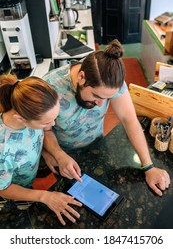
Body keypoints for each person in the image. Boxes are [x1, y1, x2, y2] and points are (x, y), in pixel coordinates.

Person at [43, 39, 170, 197]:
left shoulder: (110, 80)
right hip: (63, 155)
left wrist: (149, 166)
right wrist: (55, 154)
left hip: (99, 147)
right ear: (81, 77)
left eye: (107, 98)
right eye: (96, 96)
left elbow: (129, 120)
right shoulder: (49, 88)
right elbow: (43, 130)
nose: (101, 104)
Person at [0, 74, 82, 226]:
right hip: (13, 190)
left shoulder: (28, 111)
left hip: (28, 179)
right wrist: (45, 197)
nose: (52, 125)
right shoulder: (3, 148)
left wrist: (48, 153)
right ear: (20, 118)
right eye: (45, 122)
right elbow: (3, 188)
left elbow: (38, 134)